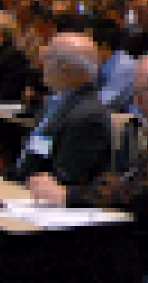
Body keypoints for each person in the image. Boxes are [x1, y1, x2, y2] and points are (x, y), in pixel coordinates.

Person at [28, 53, 148, 274]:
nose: (136, 102)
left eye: (142, 92)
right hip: (132, 235)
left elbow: (142, 192)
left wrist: (68, 196)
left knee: (43, 249)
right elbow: (132, 181)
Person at [8, 33, 112, 186]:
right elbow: (38, 152)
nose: (42, 62)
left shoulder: (88, 116)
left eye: (48, 57)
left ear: (65, 67)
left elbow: (64, 178)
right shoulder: (57, 102)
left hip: (41, 199)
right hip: (21, 185)